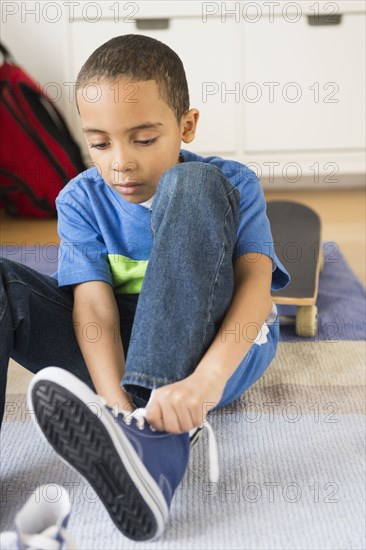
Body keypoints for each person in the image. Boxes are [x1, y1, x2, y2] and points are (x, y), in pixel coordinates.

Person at [1, 34, 290, 542]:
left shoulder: (229, 182)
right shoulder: (80, 199)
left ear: (186, 125)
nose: (120, 162)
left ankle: (154, 448)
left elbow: (256, 292)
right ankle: (134, 435)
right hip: (117, 355)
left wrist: (205, 383)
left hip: (216, 349)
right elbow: (93, 309)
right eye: (99, 142)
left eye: (143, 138)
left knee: (193, 185)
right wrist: (115, 408)